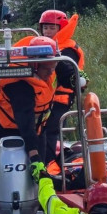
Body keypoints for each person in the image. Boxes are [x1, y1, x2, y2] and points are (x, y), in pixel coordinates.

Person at [0, 36, 72, 202]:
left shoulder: (51, 65)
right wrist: (33, 156)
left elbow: (65, 70)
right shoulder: (19, 82)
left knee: (40, 168)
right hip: (0, 123)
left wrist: (75, 77)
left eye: (53, 66)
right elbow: (25, 122)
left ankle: (40, 200)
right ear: (34, 65)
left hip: (38, 125)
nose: (51, 72)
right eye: (46, 69)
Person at [38, 9, 86, 163]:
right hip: (43, 99)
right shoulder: (42, 48)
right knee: (40, 132)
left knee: (49, 132)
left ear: (61, 28)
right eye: (45, 28)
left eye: (52, 28)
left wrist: (55, 60)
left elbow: (69, 75)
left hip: (59, 100)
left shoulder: (67, 50)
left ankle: (48, 167)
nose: (48, 32)